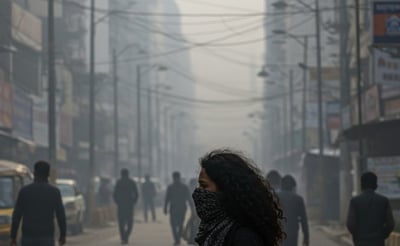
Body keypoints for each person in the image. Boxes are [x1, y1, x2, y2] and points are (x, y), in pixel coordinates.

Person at [193, 149, 285, 246]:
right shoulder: (213, 228)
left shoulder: (243, 237)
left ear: (225, 189)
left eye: (204, 186)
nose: (198, 191)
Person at [10, 161, 66, 246]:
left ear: (34, 173)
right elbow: (61, 215)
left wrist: (13, 236)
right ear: (48, 175)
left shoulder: (25, 191)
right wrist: (62, 235)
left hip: (28, 237)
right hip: (47, 236)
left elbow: (16, 216)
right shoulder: (54, 192)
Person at [346, 172, 395, 246]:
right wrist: (382, 235)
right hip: (378, 242)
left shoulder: (355, 201)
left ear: (361, 185)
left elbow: (350, 224)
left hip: (360, 242)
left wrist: (358, 236)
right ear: (376, 185)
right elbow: (390, 224)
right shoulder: (384, 201)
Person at [278, 175, 309, 246]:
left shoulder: (275, 197)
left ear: (281, 186)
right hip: (293, 232)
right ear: (293, 187)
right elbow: (304, 220)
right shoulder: (298, 199)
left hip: (279, 231)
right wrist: (306, 237)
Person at [164, 172, 192, 245]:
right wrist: (165, 207)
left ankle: (177, 239)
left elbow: (167, 199)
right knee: (176, 225)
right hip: (179, 208)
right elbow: (167, 198)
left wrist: (165, 207)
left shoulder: (172, 187)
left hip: (177, 208)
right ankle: (177, 238)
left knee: (178, 225)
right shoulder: (183, 187)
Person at [113, 169, 139, 245]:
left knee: (121, 223)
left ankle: (123, 237)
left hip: (121, 205)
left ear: (121, 174)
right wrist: (134, 202)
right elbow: (136, 194)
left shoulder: (119, 182)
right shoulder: (131, 182)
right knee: (130, 223)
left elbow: (115, 194)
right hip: (129, 205)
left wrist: (117, 202)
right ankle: (126, 236)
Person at [183, 178, 201, 245]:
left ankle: (190, 238)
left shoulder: (194, 190)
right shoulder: (191, 190)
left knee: (193, 225)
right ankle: (191, 238)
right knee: (194, 225)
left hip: (196, 209)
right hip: (195, 209)